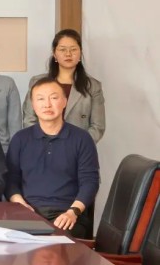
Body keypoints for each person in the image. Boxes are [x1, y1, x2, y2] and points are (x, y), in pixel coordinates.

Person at [7, 77, 100, 238]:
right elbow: (10, 180)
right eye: (40, 99)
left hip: (67, 214)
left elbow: (90, 181)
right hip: (28, 213)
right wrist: (20, 205)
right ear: (33, 105)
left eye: (54, 98)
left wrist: (73, 211)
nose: (47, 104)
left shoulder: (82, 139)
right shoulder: (20, 139)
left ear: (64, 102)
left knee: (57, 245)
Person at [22, 29, 105, 143]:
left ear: (80, 53)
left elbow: (97, 126)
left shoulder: (92, 86)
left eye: (73, 49)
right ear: (54, 54)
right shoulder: (37, 82)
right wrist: (45, 144)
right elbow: (29, 119)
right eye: (62, 49)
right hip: (43, 146)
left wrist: (77, 145)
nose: (68, 54)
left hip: (78, 148)